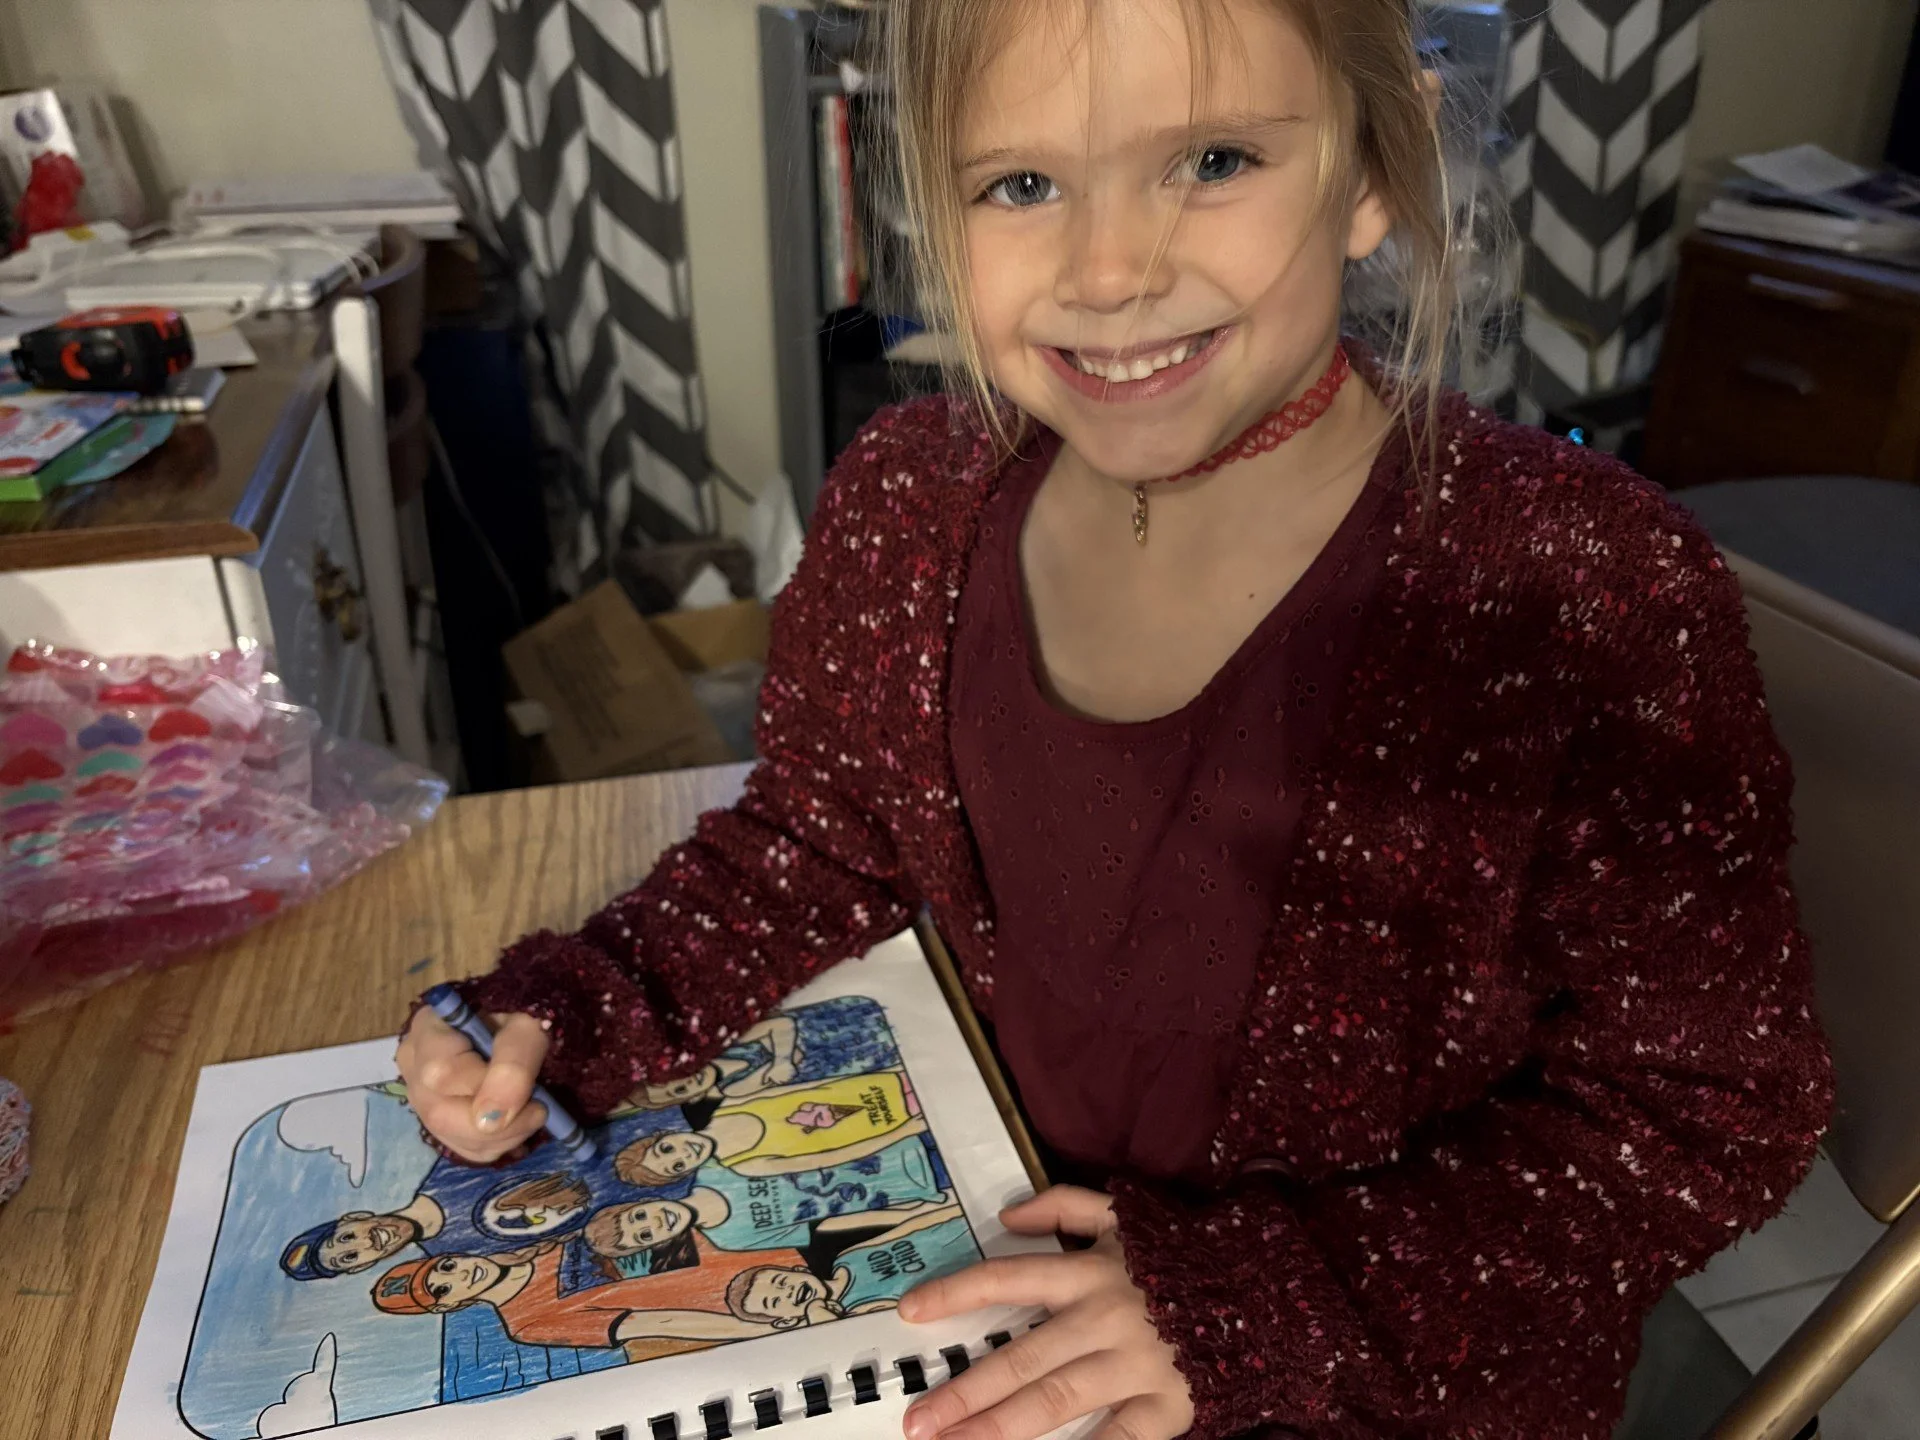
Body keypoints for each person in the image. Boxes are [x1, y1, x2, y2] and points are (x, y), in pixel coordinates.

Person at [397, 0, 1834, 1434]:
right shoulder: (912, 498)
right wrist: (581, 1004)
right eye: (1021, 184)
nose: (1106, 272)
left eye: (1213, 161)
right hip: (983, 1285)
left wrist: (1251, 1309)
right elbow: (817, 841)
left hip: (1363, 1385)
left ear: (1370, 171)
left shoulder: (1576, 582)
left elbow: (1707, 1113)